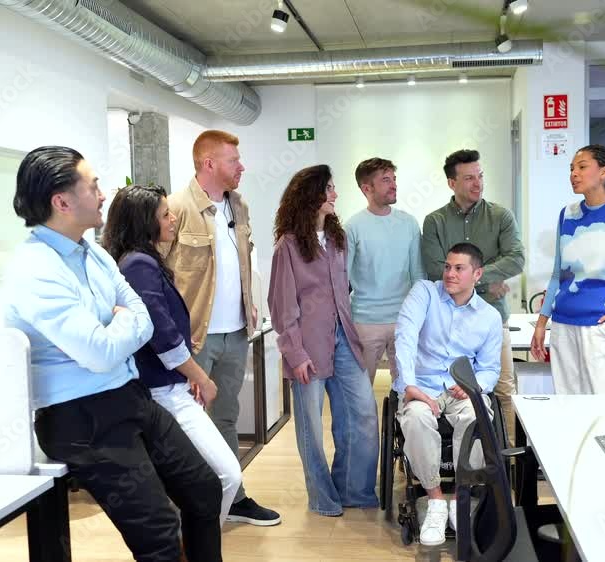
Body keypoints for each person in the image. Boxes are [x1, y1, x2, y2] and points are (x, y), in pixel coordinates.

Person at [5, 146, 223, 561]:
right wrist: (123, 324)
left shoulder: (95, 253)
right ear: (62, 202)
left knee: (205, 490)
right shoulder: (35, 268)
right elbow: (101, 352)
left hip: (130, 396)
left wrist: (119, 325)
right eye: (93, 186)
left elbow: (142, 319)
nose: (104, 194)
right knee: (159, 534)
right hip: (82, 417)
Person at [102, 184, 244, 526]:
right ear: (144, 221)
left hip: (169, 387)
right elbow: (161, 332)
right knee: (224, 475)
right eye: (165, 214)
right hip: (163, 391)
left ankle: (191, 544)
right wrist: (200, 377)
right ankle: (195, 546)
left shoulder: (143, 261)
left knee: (203, 481)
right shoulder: (139, 264)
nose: (173, 219)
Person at [162, 130, 280, 526]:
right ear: (209, 163)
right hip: (194, 338)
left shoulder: (238, 205)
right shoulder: (176, 208)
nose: (241, 167)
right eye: (234, 160)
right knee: (185, 425)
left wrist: (250, 306)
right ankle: (184, 507)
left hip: (236, 333)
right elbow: (155, 272)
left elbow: (243, 260)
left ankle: (235, 497)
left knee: (226, 417)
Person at [267, 165, 380, 517]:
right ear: (311, 194)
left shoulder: (336, 239)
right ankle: (322, 498)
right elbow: (282, 305)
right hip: (307, 347)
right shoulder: (287, 246)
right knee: (311, 427)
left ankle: (354, 490)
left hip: (345, 339)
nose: (335, 194)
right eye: (329, 188)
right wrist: (295, 353)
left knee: (362, 414)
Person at [393, 242, 503, 546]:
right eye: (447, 267)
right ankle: (436, 501)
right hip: (423, 385)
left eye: (459, 268)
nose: (450, 274)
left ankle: (459, 500)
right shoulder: (425, 293)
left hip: (461, 390)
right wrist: (409, 384)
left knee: (476, 418)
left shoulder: (489, 317)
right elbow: (405, 335)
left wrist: (473, 386)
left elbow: (490, 369)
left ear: (477, 274)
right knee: (416, 418)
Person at [529, 145, 605, 394]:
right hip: (563, 325)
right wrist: (541, 323)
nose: (574, 174)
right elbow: (558, 274)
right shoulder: (567, 214)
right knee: (566, 403)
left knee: (603, 406)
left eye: (582, 167)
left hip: (602, 327)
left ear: (604, 172)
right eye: (571, 169)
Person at [421, 149, 524, 433]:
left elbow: (516, 259)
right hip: (445, 320)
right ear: (451, 183)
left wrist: (472, 277)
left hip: (492, 317)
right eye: (469, 178)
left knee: (504, 389)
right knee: (449, 390)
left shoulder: (501, 216)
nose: (478, 183)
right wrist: (486, 280)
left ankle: (505, 456)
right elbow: (435, 270)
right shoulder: (435, 222)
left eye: (480, 176)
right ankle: (457, 451)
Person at [344, 157, 424, 384]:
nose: (394, 185)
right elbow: (341, 279)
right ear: (367, 189)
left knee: (408, 387)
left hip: (404, 319)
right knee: (360, 390)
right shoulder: (352, 227)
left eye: (394, 179)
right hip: (365, 322)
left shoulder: (409, 223)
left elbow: (419, 275)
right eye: (386, 180)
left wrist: (419, 317)